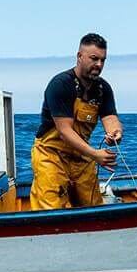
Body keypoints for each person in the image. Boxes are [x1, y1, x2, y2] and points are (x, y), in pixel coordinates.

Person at [29, 33, 123, 210]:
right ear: (80, 56)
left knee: (93, 206)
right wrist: (95, 155)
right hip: (51, 154)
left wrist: (116, 133)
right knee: (51, 207)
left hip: (81, 156)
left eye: (103, 60)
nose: (99, 65)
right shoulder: (61, 84)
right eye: (94, 59)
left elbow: (110, 117)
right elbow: (64, 131)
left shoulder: (103, 89)